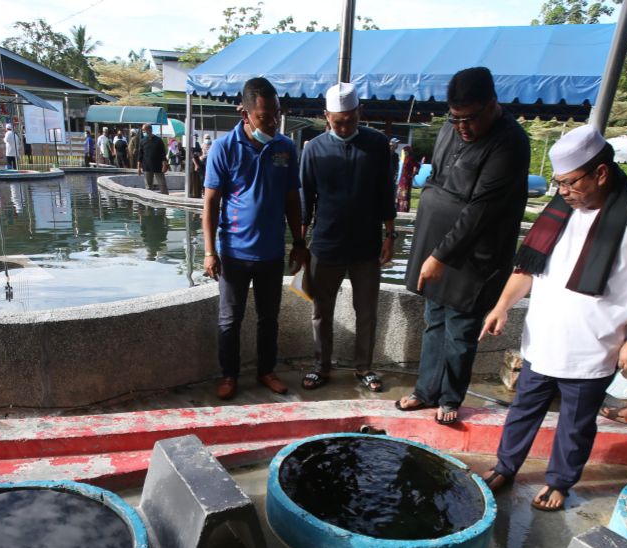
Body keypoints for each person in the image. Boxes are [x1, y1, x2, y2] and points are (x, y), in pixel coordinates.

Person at [478, 125, 627, 511]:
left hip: (595, 343)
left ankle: (560, 482)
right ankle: (506, 466)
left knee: (576, 423)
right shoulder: (559, 211)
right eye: (559, 183)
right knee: (523, 410)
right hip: (544, 339)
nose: (563, 191)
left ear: (600, 173)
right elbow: (528, 269)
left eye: (570, 183)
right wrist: (501, 306)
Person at [396, 66, 530, 425]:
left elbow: (482, 209)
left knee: (460, 329)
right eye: (455, 119)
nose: (462, 128)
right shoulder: (449, 130)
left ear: (491, 105)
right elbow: (438, 181)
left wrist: (441, 255)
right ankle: (426, 391)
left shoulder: (510, 142)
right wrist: (431, 248)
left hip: (475, 255)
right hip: (437, 244)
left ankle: (450, 397)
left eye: (469, 119)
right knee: (434, 320)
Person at [203, 76, 308, 400]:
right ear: (245, 114)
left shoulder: (285, 148)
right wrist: (210, 251)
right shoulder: (224, 148)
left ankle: (266, 370)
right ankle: (229, 376)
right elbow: (210, 202)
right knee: (229, 319)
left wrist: (299, 244)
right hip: (234, 251)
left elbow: (293, 199)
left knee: (269, 318)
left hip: (272, 252)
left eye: (276, 113)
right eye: (265, 116)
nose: (274, 122)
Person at [299, 82, 396, 393]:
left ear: (360, 113)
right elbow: (305, 201)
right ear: (326, 116)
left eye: (350, 120)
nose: (343, 126)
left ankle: (364, 367)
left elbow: (385, 193)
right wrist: (300, 244)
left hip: (366, 246)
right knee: (320, 310)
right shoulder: (313, 149)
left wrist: (390, 235)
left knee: (366, 310)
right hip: (325, 245)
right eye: (337, 121)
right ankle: (320, 366)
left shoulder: (377, 144)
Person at [138, 123, 169, 194]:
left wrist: (164, 165)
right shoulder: (142, 141)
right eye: (143, 130)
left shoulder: (158, 140)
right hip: (147, 167)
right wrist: (139, 168)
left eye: (144, 130)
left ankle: (166, 198)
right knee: (148, 187)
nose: (143, 132)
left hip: (158, 166)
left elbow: (163, 154)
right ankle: (149, 202)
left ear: (149, 129)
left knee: (162, 185)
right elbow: (140, 155)